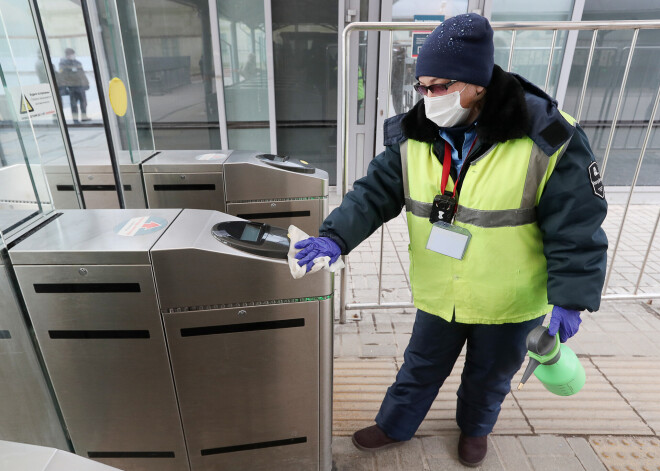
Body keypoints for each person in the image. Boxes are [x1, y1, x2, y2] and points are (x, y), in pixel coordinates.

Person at [294, 13, 608, 467]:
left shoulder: (547, 136)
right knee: (420, 364)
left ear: (476, 83)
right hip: (443, 289)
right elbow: (375, 192)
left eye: (439, 86)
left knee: (491, 375)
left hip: (510, 297)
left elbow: (577, 224)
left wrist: (571, 297)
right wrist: (335, 238)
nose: (427, 97)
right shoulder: (414, 132)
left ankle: (475, 430)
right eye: (421, 86)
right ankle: (395, 424)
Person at [58, 48, 90, 123]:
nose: (72, 56)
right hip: (71, 86)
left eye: (72, 54)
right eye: (70, 54)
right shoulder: (63, 64)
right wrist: (65, 86)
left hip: (80, 85)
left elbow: (82, 74)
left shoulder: (77, 63)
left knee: (83, 102)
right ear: (67, 55)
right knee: (74, 104)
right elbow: (62, 76)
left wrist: (86, 83)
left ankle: (84, 117)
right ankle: (75, 119)